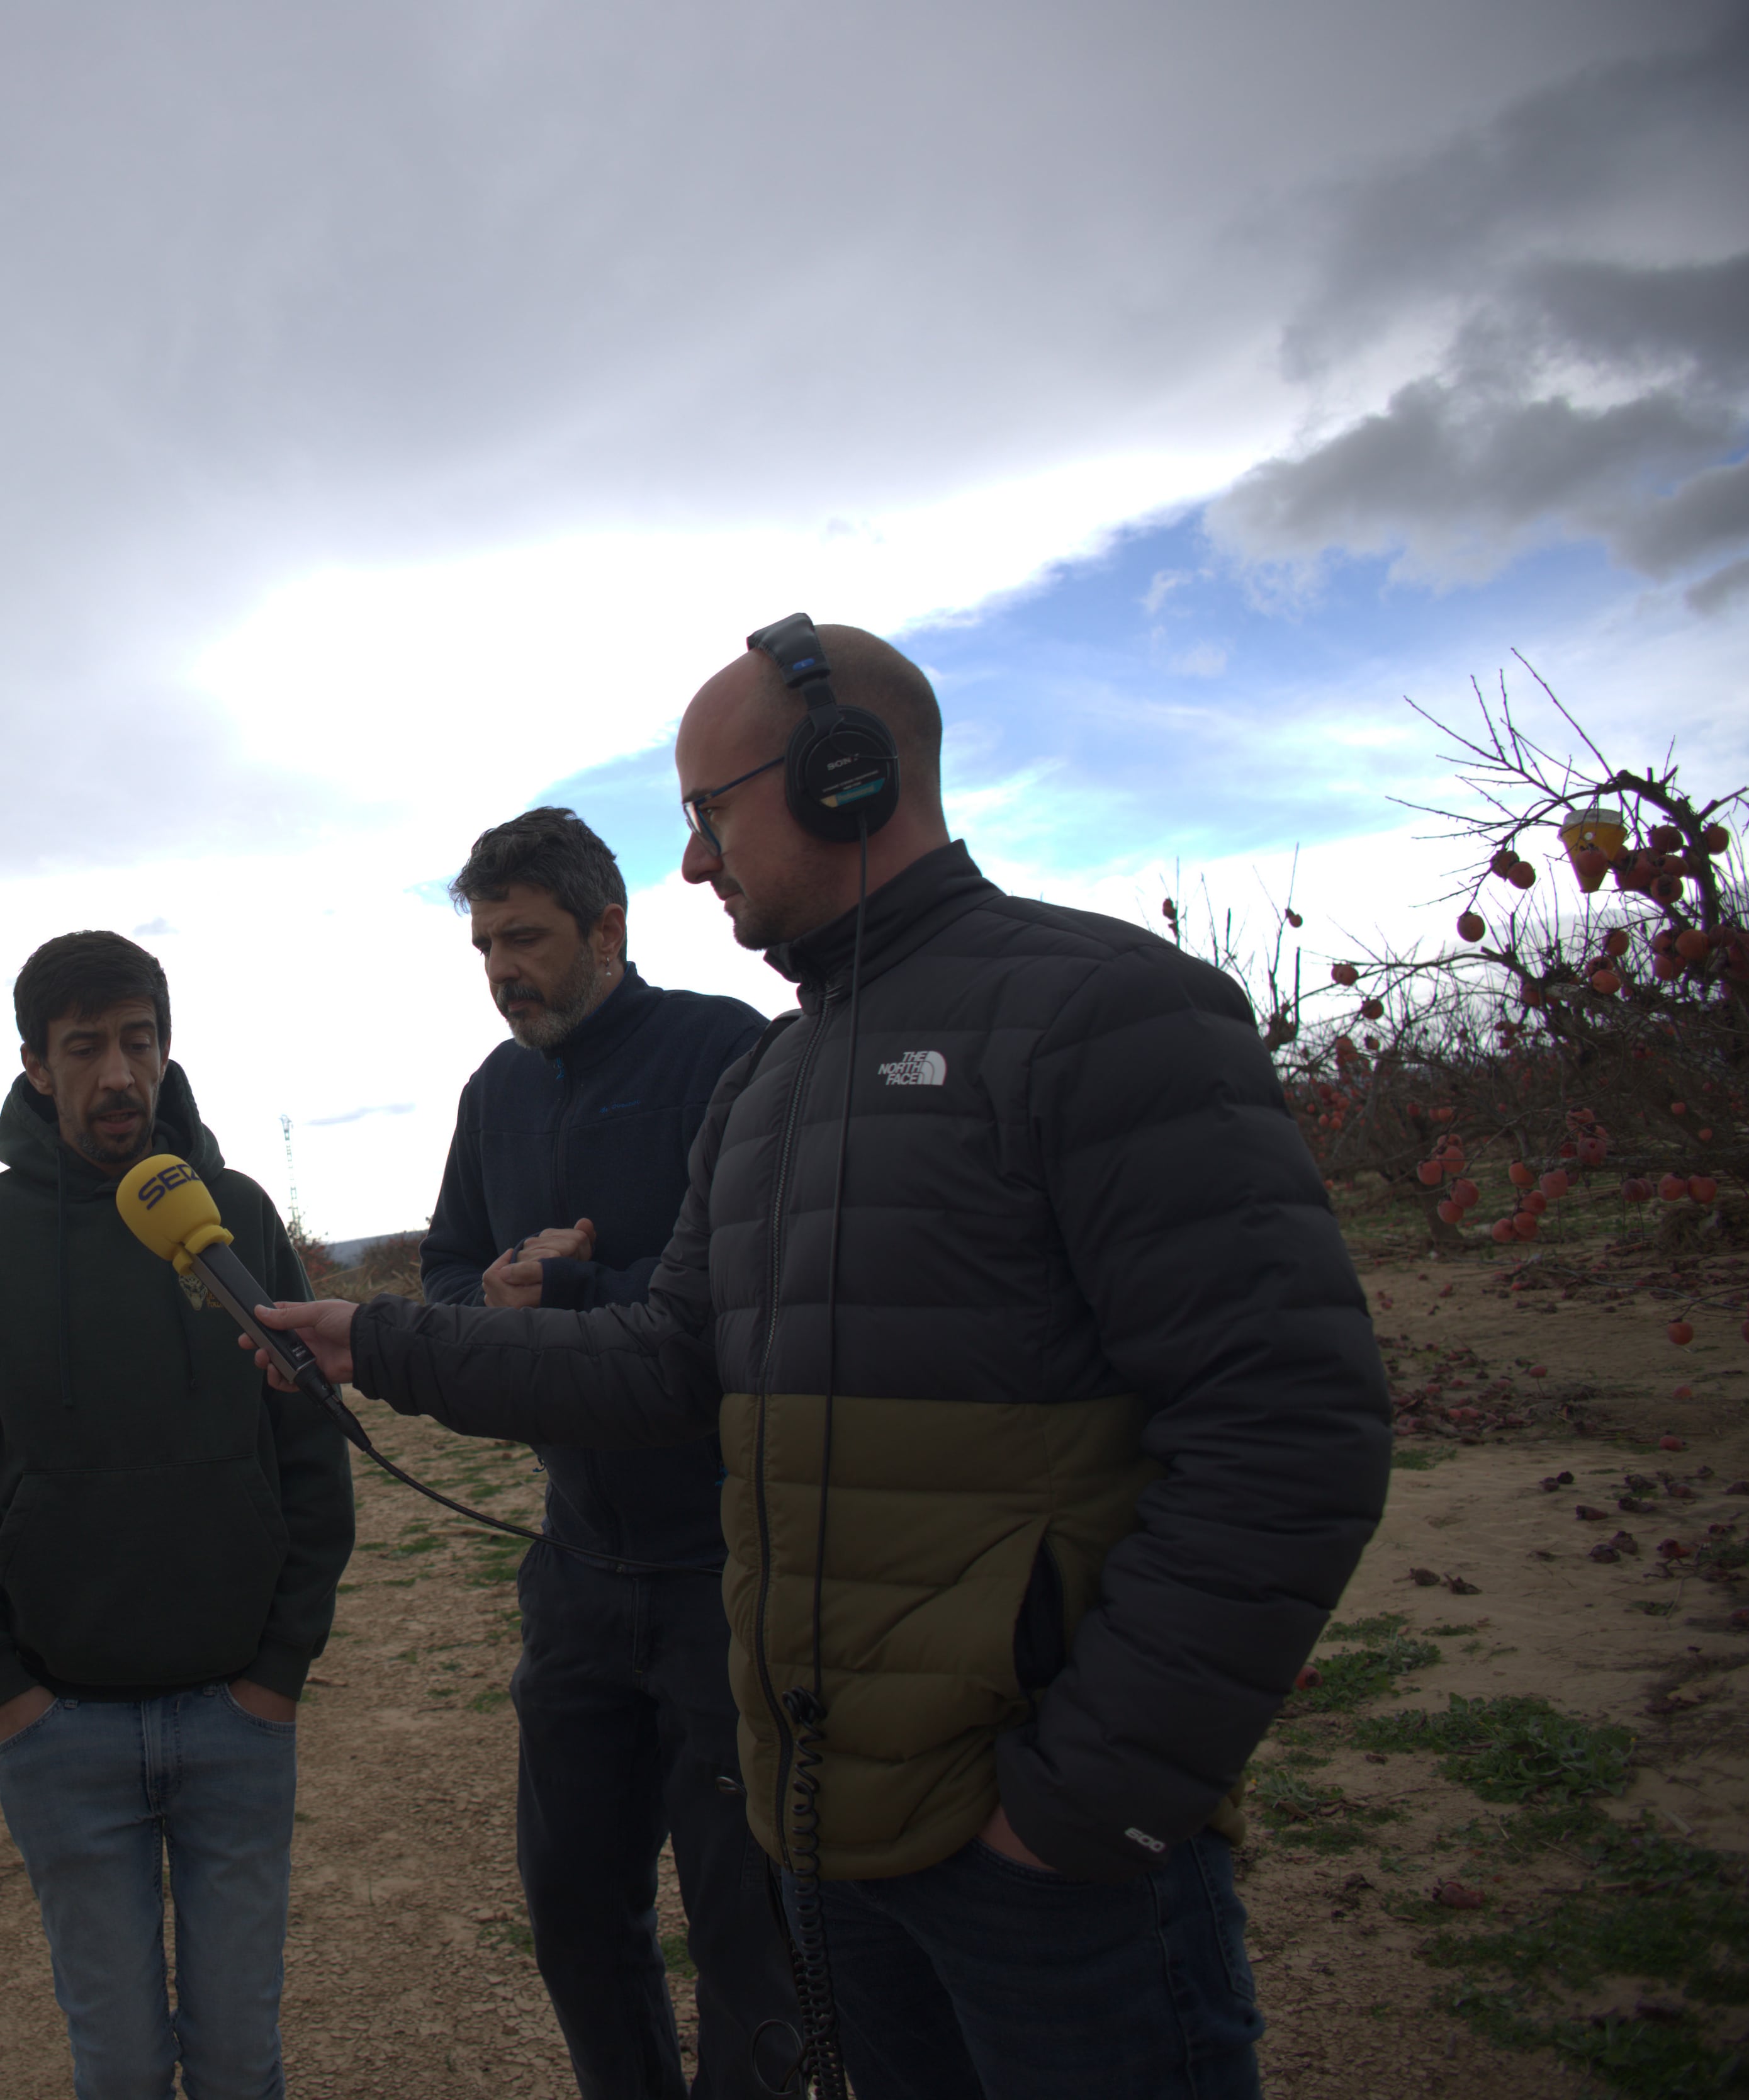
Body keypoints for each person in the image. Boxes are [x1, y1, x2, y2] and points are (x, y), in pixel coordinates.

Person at [245, 624, 1389, 2098]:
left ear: (847, 779)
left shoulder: (1106, 1010)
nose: (696, 867)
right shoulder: (779, 1083)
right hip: (838, 1833)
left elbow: (1289, 1431)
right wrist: (377, 1337)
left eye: (709, 817)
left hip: (1044, 1866)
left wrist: (1080, 1808)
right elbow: (669, 1365)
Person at [0, 930, 354, 2100]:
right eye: (86, 1047)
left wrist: (280, 1671)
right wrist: (5, 1691)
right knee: (118, 2069)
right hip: (64, 1738)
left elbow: (310, 1455)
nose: (119, 1075)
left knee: (241, 2060)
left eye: (139, 1042)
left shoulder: (236, 1215)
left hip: (235, 1721)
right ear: (35, 1065)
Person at [424, 806, 785, 2099]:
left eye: (523, 939)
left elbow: (748, 1294)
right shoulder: (497, 1090)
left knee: (751, 1933)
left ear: (608, 930)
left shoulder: (723, 1056)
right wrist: (506, 1294)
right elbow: (450, 1272)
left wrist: (572, 1298)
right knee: (576, 1915)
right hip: (574, 1567)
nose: (500, 971)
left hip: (724, 1568)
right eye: (482, 946)